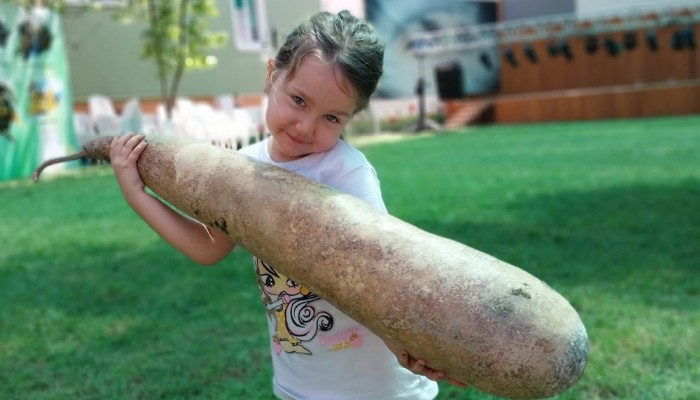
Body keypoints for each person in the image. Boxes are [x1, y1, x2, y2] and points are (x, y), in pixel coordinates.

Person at [110, 10, 464, 400]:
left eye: (331, 117)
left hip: (377, 389)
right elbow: (209, 247)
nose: (306, 126)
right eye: (298, 100)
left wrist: (403, 343)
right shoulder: (243, 168)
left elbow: (381, 277)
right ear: (271, 75)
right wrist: (137, 196)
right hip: (300, 385)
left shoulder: (347, 175)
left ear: (351, 117)